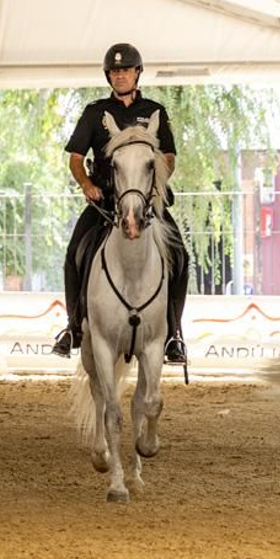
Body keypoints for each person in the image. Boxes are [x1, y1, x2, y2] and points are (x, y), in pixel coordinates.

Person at [52, 43, 189, 363]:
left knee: (181, 255)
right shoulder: (94, 112)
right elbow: (75, 159)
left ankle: (174, 333)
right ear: (108, 76)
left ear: (137, 73)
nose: (120, 76)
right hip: (105, 203)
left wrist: (157, 184)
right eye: (115, 72)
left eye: (126, 70)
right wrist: (87, 185)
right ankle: (73, 326)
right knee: (74, 253)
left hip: (146, 201)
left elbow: (168, 156)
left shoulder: (155, 111)